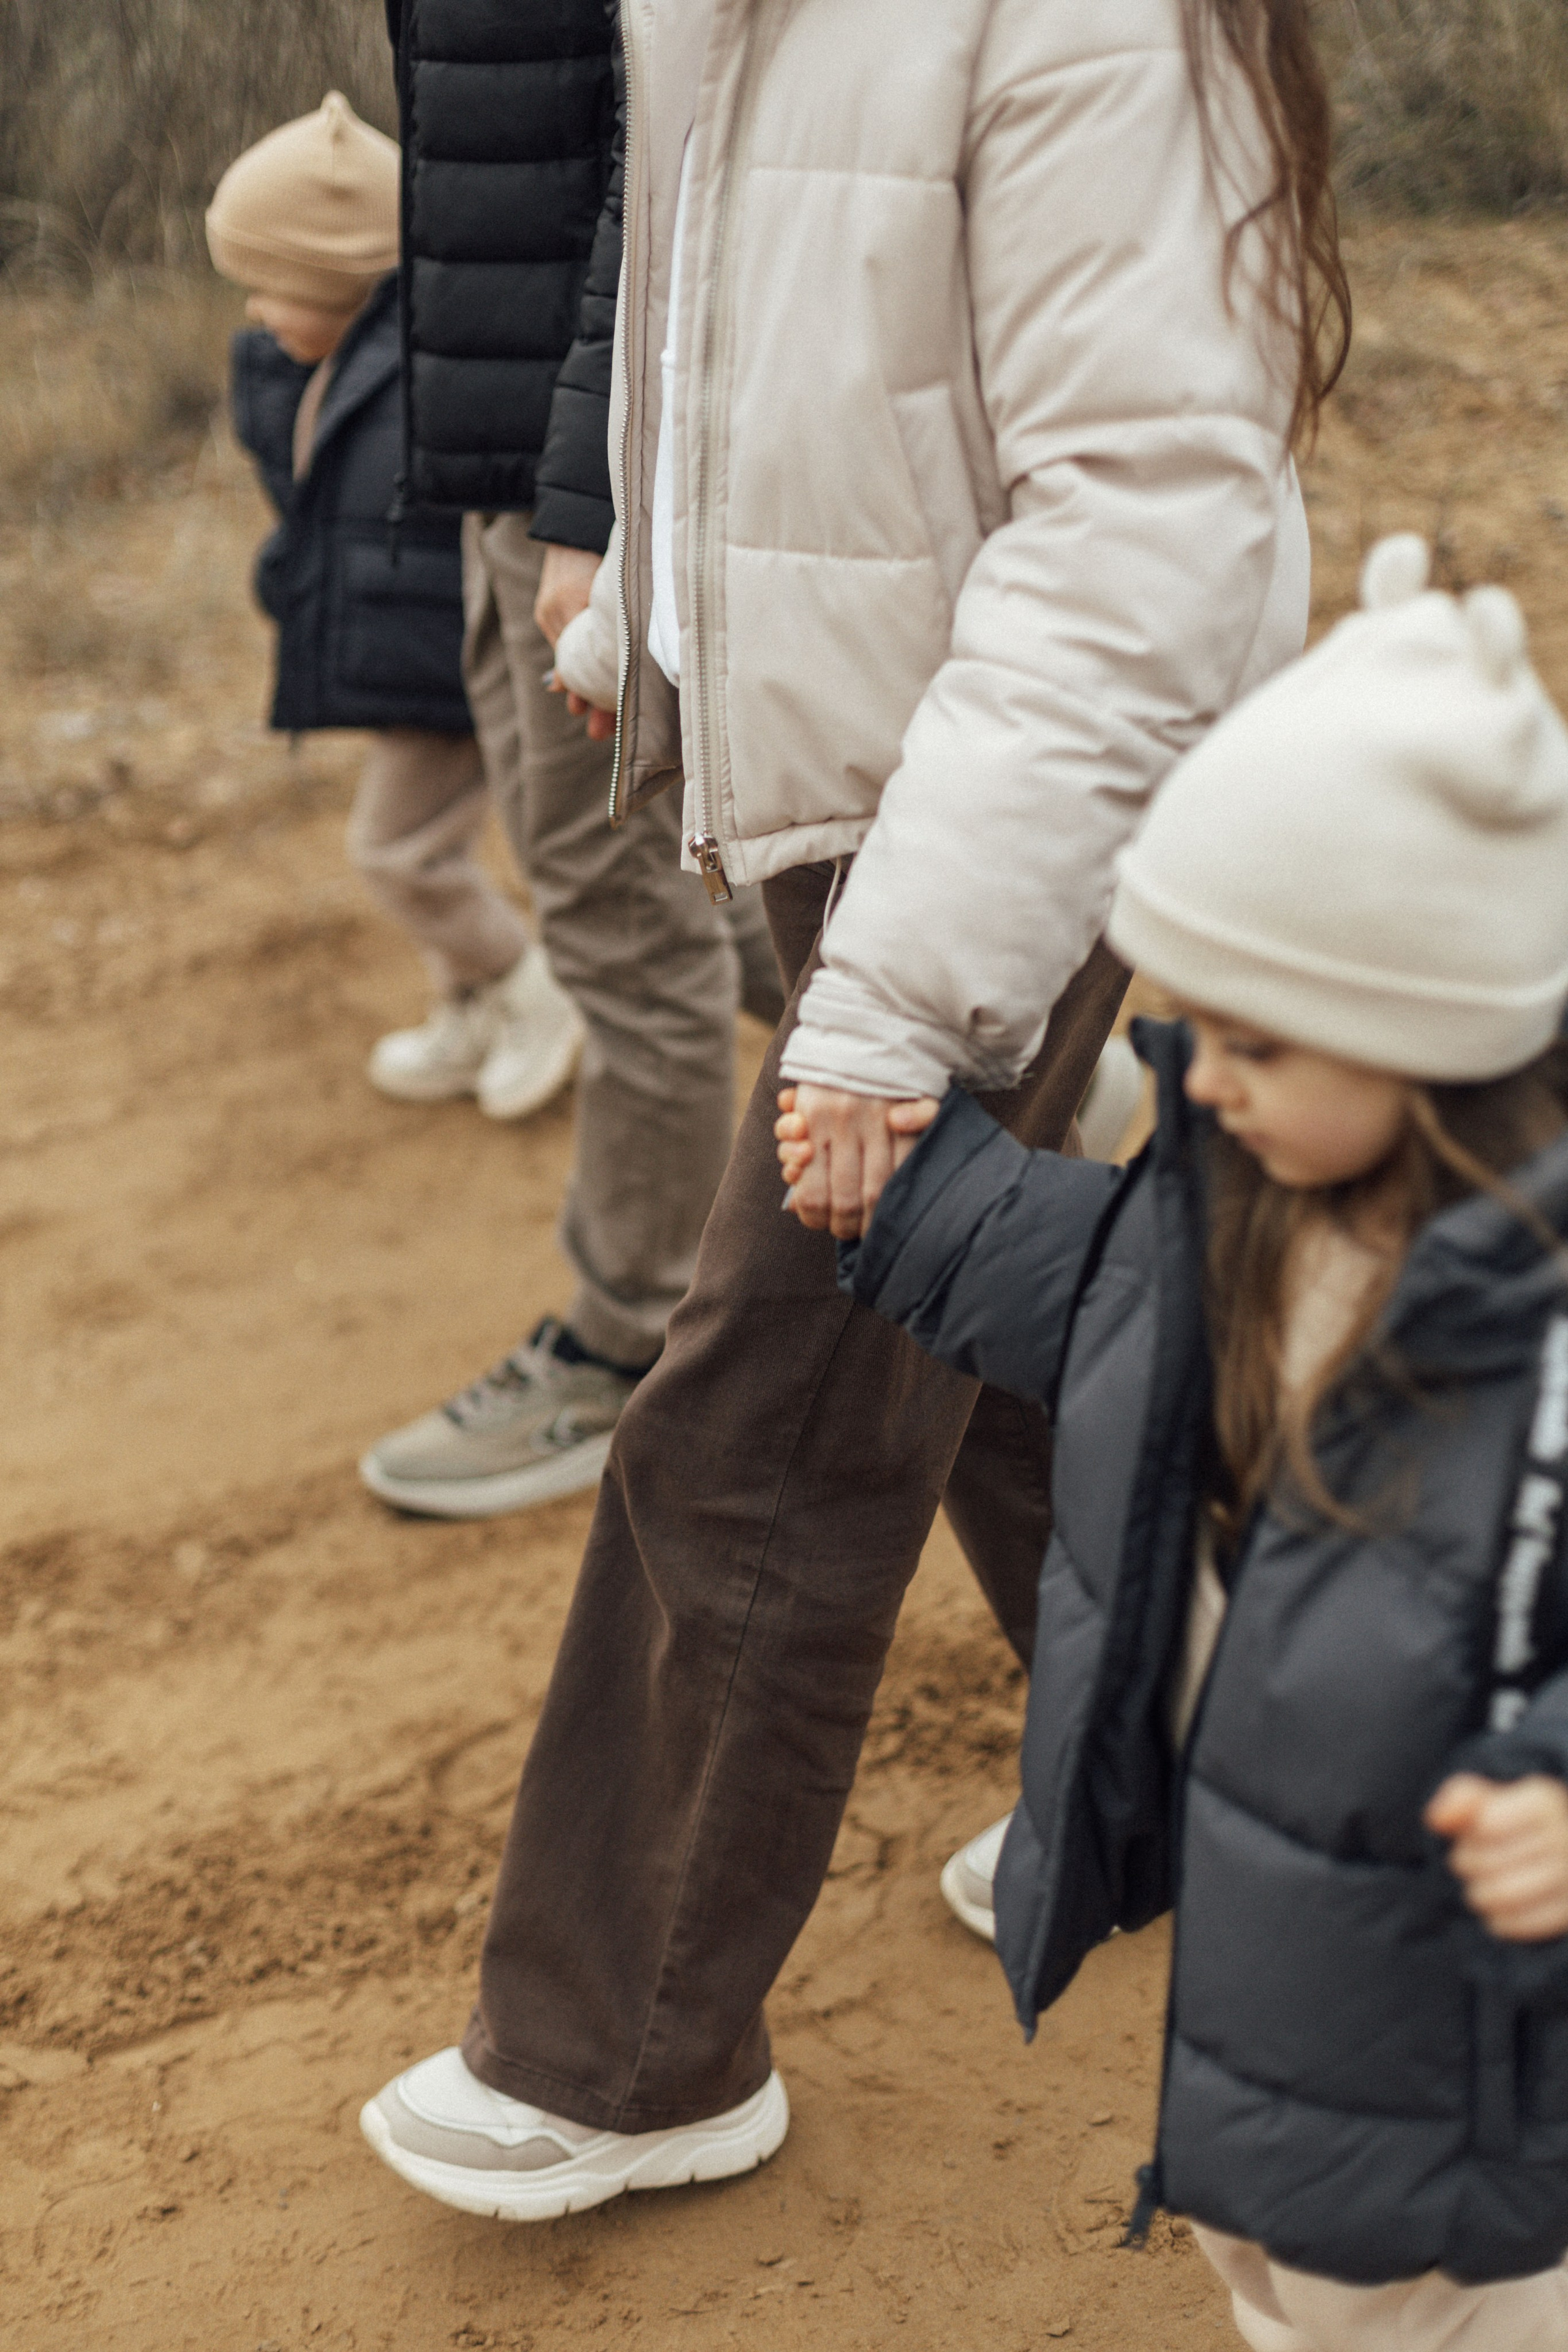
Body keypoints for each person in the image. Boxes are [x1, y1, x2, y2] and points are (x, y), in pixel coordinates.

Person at [359, 0, 1348, 2215]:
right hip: (864, 760)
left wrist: (895, 1003)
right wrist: (664, 593)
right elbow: (752, 317)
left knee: (771, 1405)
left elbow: (1141, 529)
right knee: (966, 1331)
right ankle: (1207, 1747)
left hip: (986, 797)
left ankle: (629, 2045)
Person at [832, 537, 1568, 2350]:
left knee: (1428, 2288)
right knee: (1277, 2247)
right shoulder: (1238, 1194)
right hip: (1273, 1899)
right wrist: (904, 1197)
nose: (1196, 1075)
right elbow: (1083, 1287)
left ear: (1429, 1038)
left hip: (1469, 1981)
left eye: (1249, 1037)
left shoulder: (1536, 1316)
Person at [359, 0, 785, 1522]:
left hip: (579, 474)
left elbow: (660, 158)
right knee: (682, 861)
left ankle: (636, 1343)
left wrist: (588, 504)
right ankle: (1036, 1103)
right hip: (509, 460)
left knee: (621, 924)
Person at [207, 93, 583, 1127]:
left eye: (272, 288)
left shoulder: (424, 383)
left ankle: (524, 984)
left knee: (399, 851)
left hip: (442, 669)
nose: (254, 314)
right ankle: (472, 1004)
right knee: (429, 848)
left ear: (347, 282)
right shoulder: (327, 374)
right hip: (406, 658)